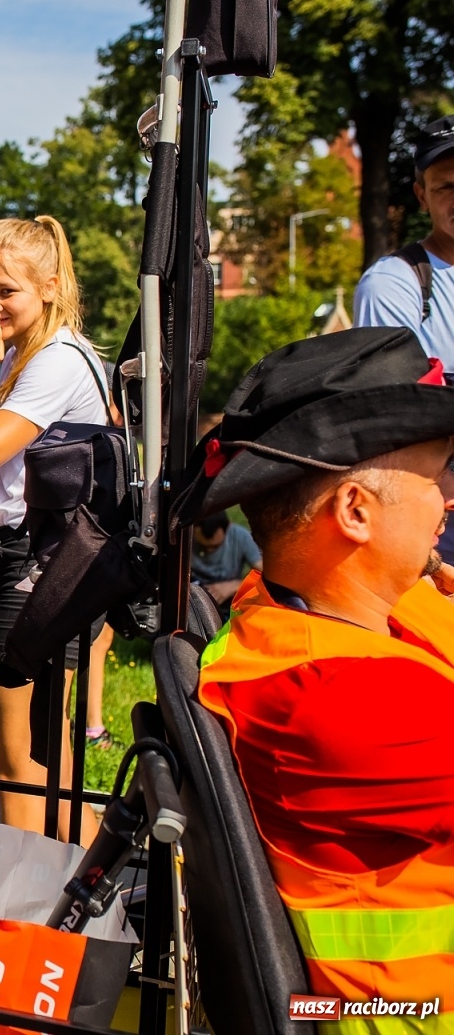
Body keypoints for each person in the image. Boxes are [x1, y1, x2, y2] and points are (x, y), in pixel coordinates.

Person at [184, 327, 454, 1010]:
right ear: (355, 510)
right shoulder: (341, 698)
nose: (448, 498)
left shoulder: (296, 603)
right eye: (437, 474)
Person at [0, 215, 106, 841]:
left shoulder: (56, 362)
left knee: (20, 762)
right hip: (19, 556)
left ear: (49, 285)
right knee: (41, 754)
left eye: (5, 291)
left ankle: (28, 891)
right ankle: (93, 882)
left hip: (44, 562)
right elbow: (5, 483)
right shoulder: (24, 354)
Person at [355, 115, 454, 562]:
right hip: (439, 512)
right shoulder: (394, 283)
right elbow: (396, 412)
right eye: (446, 187)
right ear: (421, 196)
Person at [190, 510, 261, 617]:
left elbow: (267, 575)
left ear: (228, 526)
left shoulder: (240, 537)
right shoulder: (186, 538)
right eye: (203, 546)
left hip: (228, 605)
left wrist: (234, 586)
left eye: (215, 546)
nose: (209, 551)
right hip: (193, 604)